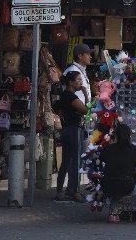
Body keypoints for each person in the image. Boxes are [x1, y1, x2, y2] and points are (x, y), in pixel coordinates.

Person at [100, 124, 136, 223]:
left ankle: (113, 214)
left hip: (107, 186)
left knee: (115, 184)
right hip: (126, 186)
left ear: (116, 135)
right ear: (129, 135)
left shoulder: (108, 149)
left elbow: (102, 159)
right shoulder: (134, 151)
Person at [54, 70, 89, 203]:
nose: (80, 83)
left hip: (67, 130)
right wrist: (86, 95)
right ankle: (75, 191)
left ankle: (60, 191)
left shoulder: (65, 95)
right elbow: (85, 110)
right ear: (71, 82)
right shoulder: (70, 96)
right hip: (74, 130)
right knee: (75, 162)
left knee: (66, 161)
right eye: (78, 80)